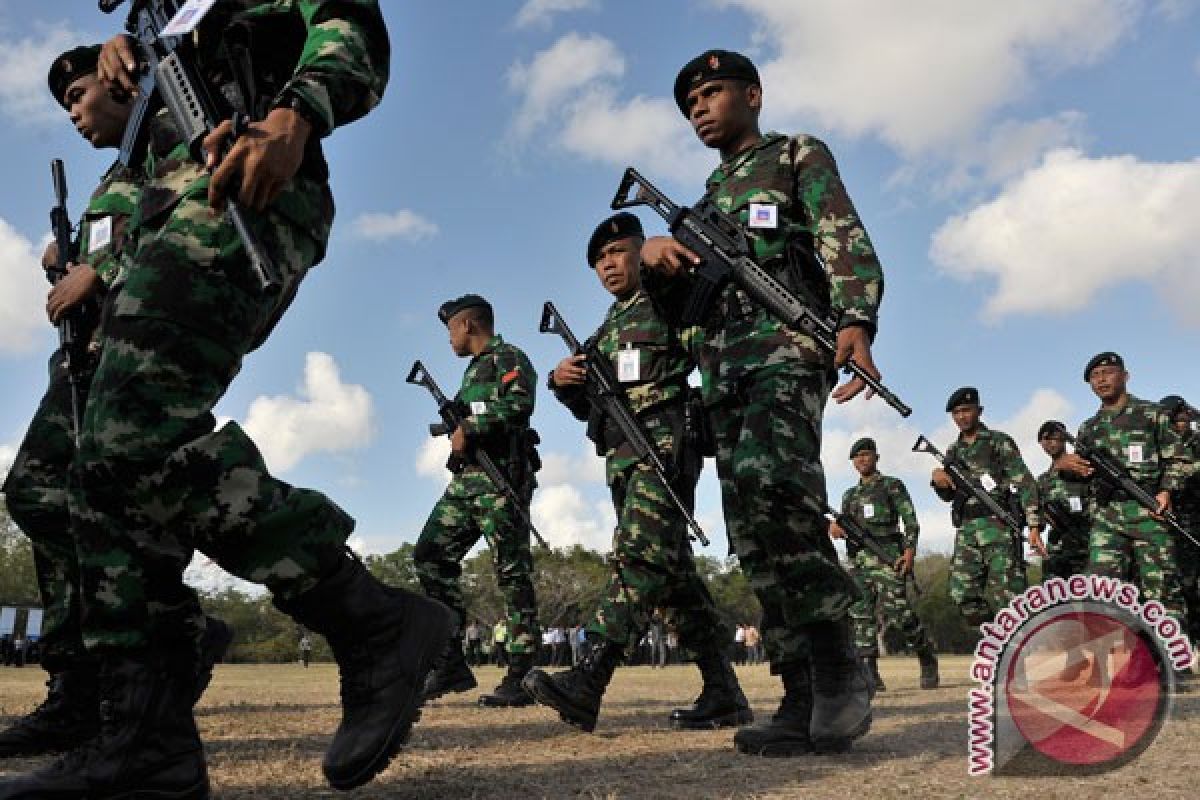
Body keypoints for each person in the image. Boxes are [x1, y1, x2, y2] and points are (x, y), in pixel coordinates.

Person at [0, 8, 458, 797]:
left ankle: (368, 620)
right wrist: (139, 53)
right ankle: (146, 732)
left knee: (127, 434)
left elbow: (346, 20)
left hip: (244, 185)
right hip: (179, 201)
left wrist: (298, 111)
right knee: (86, 469)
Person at [640, 49, 882, 755]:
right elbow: (680, 311)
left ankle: (840, 672)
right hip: (723, 375)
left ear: (753, 93)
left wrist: (855, 320)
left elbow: (842, 238)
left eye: (712, 93)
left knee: (785, 497)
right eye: (690, 105)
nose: (700, 110)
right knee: (750, 529)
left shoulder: (797, 154)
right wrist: (656, 259)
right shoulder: (705, 204)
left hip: (785, 355)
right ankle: (800, 692)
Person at [0, 44, 230, 763]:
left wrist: (97, 268)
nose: (72, 112)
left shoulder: (166, 139)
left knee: (93, 503)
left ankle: (144, 654)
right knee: (41, 497)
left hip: (129, 358)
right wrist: (69, 262)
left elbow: (184, 228)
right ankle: (84, 679)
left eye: (77, 95)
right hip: (86, 359)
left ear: (118, 85)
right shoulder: (114, 176)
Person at [523, 212, 750, 734]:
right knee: (674, 582)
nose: (607, 265)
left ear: (641, 251)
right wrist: (563, 382)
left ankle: (589, 679)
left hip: (666, 444)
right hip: (623, 460)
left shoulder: (665, 300)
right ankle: (724, 691)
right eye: (599, 261)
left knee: (640, 557)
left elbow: (711, 348)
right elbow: (592, 408)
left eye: (617, 253)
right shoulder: (605, 331)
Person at [416, 294, 541, 708]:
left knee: (512, 573)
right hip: (468, 484)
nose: (449, 338)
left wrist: (470, 424)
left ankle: (523, 673)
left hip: (502, 481)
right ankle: (449, 660)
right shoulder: (472, 373)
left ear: (468, 325)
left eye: (450, 329)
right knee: (431, 555)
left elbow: (520, 404)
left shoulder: (509, 357)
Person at [1058, 356, 1191, 673]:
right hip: (1108, 518)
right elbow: (1084, 474)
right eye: (1094, 376)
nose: (1101, 379)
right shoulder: (1088, 429)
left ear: (1125, 376)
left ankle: (1173, 663)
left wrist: (1166, 491)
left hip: (1150, 511)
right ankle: (1130, 657)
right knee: (1099, 590)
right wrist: (1066, 466)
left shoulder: (1151, 414)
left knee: (1163, 590)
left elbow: (1182, 459)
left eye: (1108, 373)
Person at [831, 438, 939, 691]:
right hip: (859, 561)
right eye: (857, 457)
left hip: (888, 557)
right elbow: (841, 524)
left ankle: (926, 656)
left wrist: (910, 552)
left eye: (866, 455)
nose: (861, 460)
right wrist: (833, 526)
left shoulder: (892, 486)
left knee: (900, 613)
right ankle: (870, 672)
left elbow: (911, 522)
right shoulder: (850, 495)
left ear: (876, 457)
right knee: (860, 614)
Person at [932, 388, 1044, 627]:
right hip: (967, 530)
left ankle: (1016, 643)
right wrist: (937, 479)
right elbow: (949, 495)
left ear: (979, 411)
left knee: (1008, 595)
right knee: (961, 593)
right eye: (956, 413)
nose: (961, 417)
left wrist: (1034, 525)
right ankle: (998, 633)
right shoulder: (953, 451)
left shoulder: (998, 442)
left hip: (999, 526)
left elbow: (1024, 482)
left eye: (966, 410)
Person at [1161, 395, 1200, 655]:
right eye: (1175, 419)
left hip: (1195, 519)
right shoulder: (1161, 445)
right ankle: (1190, 642)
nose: (1180, 422)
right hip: (1174, 525)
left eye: (1184, 418)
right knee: (1183, 585)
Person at [1035, 421, 1092, 581]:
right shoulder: (1042, 481)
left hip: (1087, 545)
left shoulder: (1082, 467)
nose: (1051, 443)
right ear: (1041, 443)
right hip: (1057, 549)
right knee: (1055, 601)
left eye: (1056, 437)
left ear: (1065, 439)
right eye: (1046, 439)